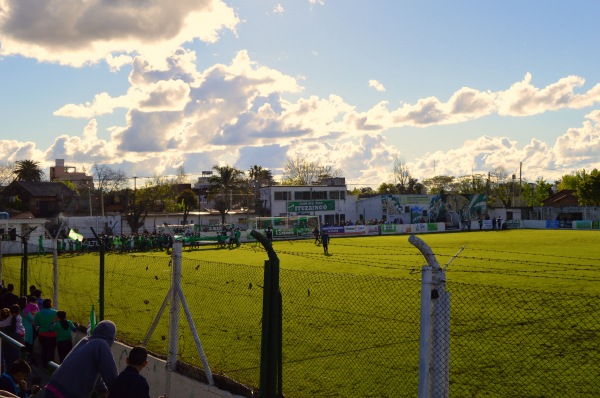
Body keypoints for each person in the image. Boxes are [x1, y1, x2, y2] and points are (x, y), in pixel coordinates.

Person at [44, 320, 119, 398]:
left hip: (52, 387)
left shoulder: (85, 341)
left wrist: (103, 389)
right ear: (111, 337)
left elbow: (94, 374)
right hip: (69, 392)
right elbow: (111, 375)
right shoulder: (101, 344)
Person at [33, 299, 58, 367]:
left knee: (44, 350)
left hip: (42, 334)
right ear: (51, 304)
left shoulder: (39, 313)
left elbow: (36, 323)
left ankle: (44, 365)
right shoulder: (56, 313)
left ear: (43, 305)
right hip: (53, 334)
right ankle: (51, 366)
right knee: (51, 351)